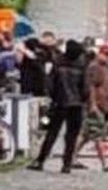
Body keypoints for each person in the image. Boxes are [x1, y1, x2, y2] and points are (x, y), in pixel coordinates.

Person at [28, 40, 87, 173]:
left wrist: (53, 97)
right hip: (76, 105)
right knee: (71, 136)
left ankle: (40, 160)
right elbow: (85, 88)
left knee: (52, 133)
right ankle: (66, 164)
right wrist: (83, 100)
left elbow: (49, 84)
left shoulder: (58, 65)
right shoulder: (81, 67)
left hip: (59, 103)